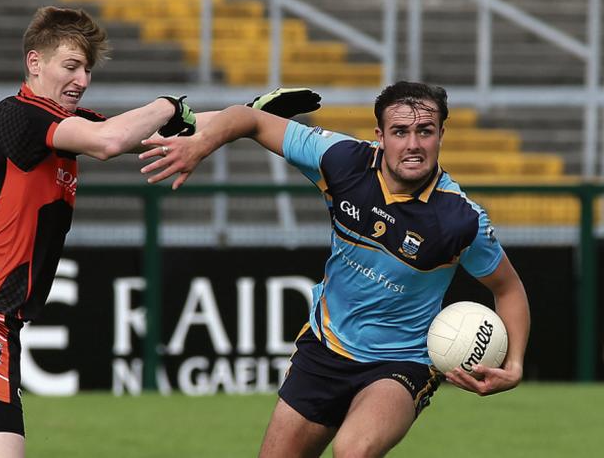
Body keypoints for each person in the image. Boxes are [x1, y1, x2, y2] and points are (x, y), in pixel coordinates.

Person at [0, 6, 320, 458]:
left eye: (87, 69)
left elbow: (167, 129)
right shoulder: (19, 114)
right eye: (71, 66)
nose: (82, 79)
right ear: (34, 63)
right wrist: (167, 102)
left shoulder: (61, 126)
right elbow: (112, 141)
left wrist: (247, 117)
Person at [140, 81, 530, 458]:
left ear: (441, 133)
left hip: (402, 360)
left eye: (425, 131)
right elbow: (250, 119)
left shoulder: (461, 220)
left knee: (353, 451)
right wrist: (198, 145)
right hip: (326, 347)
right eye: (400, 131)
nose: (413, 144)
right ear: (380, 135)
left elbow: (508, 289)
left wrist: (513, 366)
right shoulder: (341, 160)